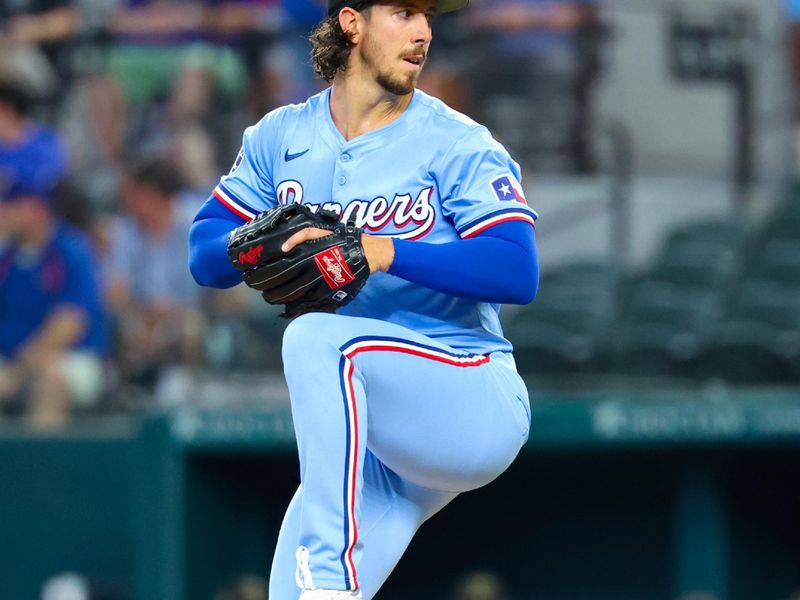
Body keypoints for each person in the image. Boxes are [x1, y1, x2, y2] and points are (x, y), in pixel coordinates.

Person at [188, 1, 539, 598]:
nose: (424, 31)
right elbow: (203, 253)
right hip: (374, 435)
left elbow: (516, 266)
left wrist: (385, 250)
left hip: (469, 394)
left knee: (315, 338)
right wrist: (254, 243)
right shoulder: (282, 135)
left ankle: (329, 574)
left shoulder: (456, 142)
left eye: (428, 16)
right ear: (352, 22)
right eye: (404, 12)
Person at [0, 183, 107, 429]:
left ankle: (38, 466)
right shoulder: (6, 259)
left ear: (36, 209)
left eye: (13, 206)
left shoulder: (70, 250)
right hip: (12, 361)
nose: (4, 213)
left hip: (72, 358)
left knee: (51, 382)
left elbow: (67, 326)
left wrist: (19, 370)